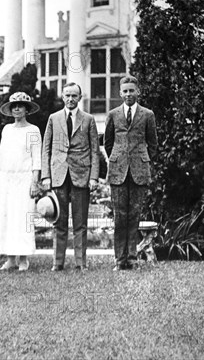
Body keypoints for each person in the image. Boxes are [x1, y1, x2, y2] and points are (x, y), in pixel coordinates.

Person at [42, 82, 100, 271]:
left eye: (74, 96)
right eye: (67, 95)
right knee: (59, 220)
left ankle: (80, 262)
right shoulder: (54, 118)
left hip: (81, 174)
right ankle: (57, 263)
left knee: (80, 221)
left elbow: (95, 151)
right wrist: (46, 176)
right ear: (62, 96)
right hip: (59, 175)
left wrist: (93, 177)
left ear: (80, 97)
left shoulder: (89, 119)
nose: (70, 99)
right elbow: (46, 149)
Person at [104, 75, 158, 271]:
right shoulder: (113, 114)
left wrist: (141, 159)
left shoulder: (147, 115)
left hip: (139, 171)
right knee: (120, 216)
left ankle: (133, 259)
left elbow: (153, 143)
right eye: (125, 91)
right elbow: (108, 143)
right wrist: (119, 159)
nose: (128, 94)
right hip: (119, 171)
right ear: (120, 93)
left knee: (134, 214)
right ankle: (120, 260)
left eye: (131, 90)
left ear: (138, 92)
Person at [0, 92, 41, 272]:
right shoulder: (7, 130)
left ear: (27, 109)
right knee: (7, 216)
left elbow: (36, 158)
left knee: (24, 217)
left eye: (20, 106)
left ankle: (23, 258)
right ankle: (10, 259)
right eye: (14, 106)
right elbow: (1, 155)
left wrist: (35, 182)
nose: (17, 109)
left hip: (25, 178)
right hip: (7, 178)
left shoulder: (33, 130)